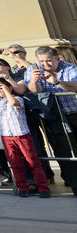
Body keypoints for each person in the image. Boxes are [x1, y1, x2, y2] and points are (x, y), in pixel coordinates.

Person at [0, 75, 50, 198]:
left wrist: (6, 90)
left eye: (0, 88)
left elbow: (13, 102)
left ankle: (43, 187)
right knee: (15, 163)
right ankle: (22, 187)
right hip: (7, 136)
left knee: (33, 161)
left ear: (10, 88)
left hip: (21, 134)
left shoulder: (18, 99)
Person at [26, 46, 77, 196]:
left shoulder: (70, 68)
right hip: (54, 117)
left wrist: (57, 82)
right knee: (64, 150)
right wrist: (34, 82)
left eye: (49, 60)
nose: (45, 64)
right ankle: (74, 183)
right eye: (42, 61)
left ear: (57, 59)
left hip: (73, 112)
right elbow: (32, 90)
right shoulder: (33, 69)